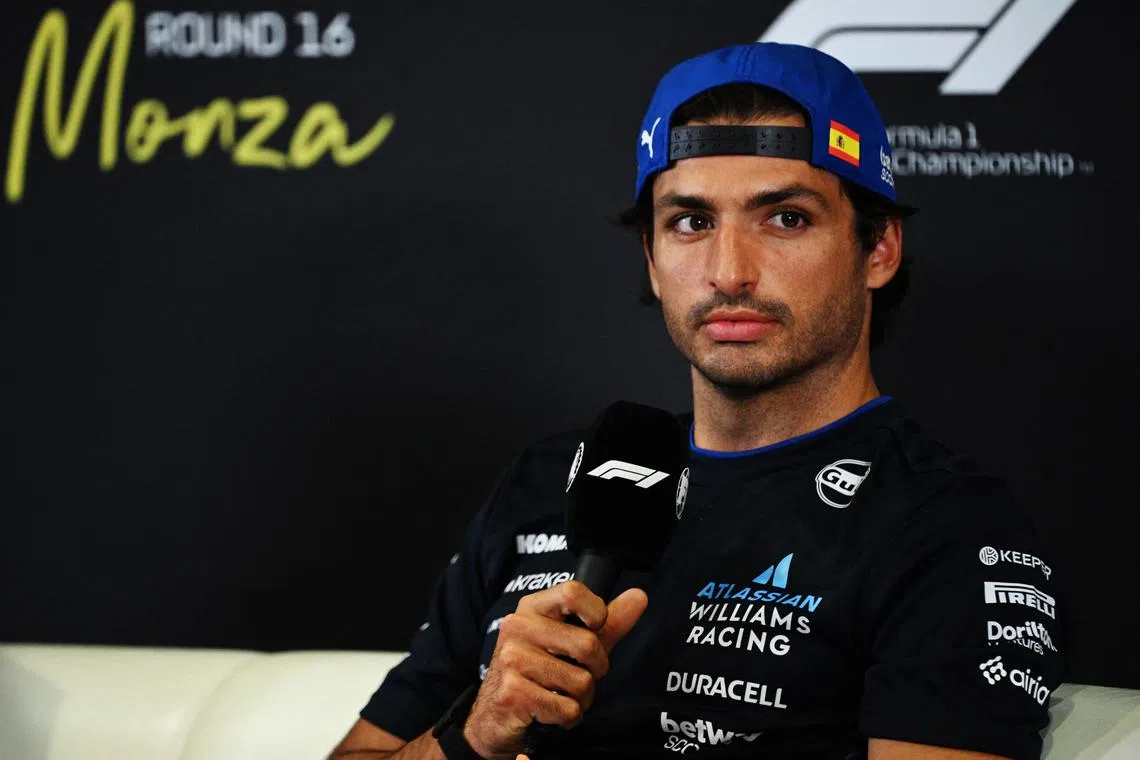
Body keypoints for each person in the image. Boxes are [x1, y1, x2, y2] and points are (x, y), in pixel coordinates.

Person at [330, 42, 1065, 760]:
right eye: (690, 222)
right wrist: (471, 737)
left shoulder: (941, 526)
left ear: (878, 250)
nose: (728, 272)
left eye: (785, 218)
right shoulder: (544, 482)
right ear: (652, 260)